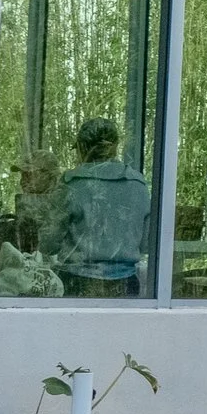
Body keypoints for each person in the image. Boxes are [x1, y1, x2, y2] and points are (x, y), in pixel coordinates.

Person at [49, 117, 154, 297]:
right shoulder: (138, 184)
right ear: (115, 147)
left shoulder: (71, 184)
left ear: (82, 148)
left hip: (77, 283)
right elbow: (146, 243)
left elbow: (50, 242)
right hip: (125, 285)